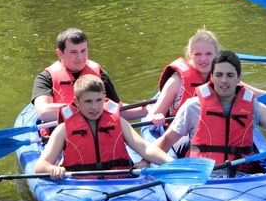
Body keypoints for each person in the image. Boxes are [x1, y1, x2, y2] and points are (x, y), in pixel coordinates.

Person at [153, 51, 266, 168]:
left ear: (239, 78)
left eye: (230, 75)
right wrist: (148, 162)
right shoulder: (192, 106)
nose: (223, 80)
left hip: (244, 176)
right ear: (211, 77)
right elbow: (167, 141)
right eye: (218, 75)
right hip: (205, 177)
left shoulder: (253, 106)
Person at [35, 75, 173, 179]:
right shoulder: (63, 130)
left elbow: (146, 148)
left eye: (98, 100)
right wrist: (53, 169)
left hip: (120, 184)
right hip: (79, 187)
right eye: (88, 101)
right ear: (76, 102)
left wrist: (171, 164)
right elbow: (41, 166)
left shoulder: (119, 122)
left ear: (104, 98)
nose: (94, 107)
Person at [149, 28, 266, 126]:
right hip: (182, 136)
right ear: (190, 55)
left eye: (209, 54)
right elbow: (153, 115)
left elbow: (260, 95)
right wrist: (157, 116)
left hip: (214, 131)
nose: (203, 59)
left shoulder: (222, 78)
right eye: (197, 54)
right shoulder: (176, 82)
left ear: (217, 55)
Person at [31, 28, 146, 122]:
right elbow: (43, 112)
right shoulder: (45, 78)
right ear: (60, 53)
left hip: (99, 134)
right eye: (73, 52)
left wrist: (148, 110)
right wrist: (86, 107)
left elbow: (117, 109)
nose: (80, 57)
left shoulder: (101, 75)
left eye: (83, 51)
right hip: (63, 138)